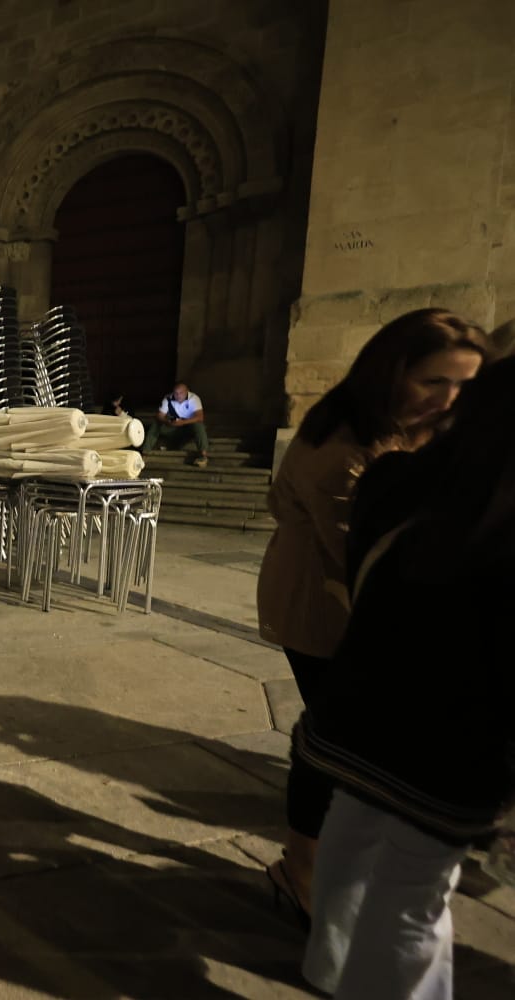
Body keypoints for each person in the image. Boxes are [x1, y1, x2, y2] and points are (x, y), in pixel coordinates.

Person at [292, 356, 515, 999]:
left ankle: (329, 967)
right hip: (447, 746)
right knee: (413, 895)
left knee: (350, 840)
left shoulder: (398, 479)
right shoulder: (497, 516)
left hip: (358, 711)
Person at [256, 308, 487, 924]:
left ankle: (326, 855)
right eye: (434, 381)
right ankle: (301, 869)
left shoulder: (410, 430)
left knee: (344, 739)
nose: (449, 399)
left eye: (466, 385)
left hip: (357, 604)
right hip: (324, 609)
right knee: (331, 740)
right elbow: (364, 557)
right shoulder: (344, 445)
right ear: (392, 371)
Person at [142, 381, 210, 467]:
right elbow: (160, 415)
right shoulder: (168, 398)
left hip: (188, 428)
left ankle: (203, 456)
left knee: (199, 425)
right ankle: (145, 453)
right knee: (156, 424)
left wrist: (183, 422)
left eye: (181, 393)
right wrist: (167, 421)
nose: (178, 396)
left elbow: (200, 417)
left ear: (187, 392)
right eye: (176, 393)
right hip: (173, 427)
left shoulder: (194, 398)